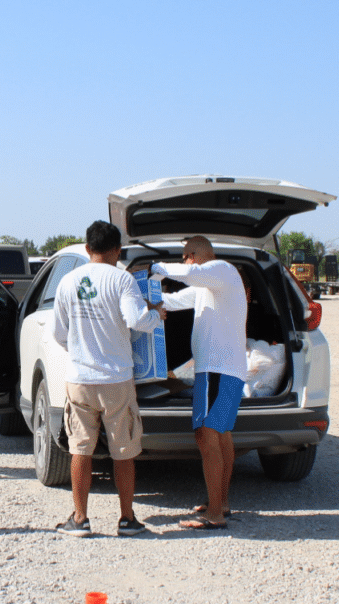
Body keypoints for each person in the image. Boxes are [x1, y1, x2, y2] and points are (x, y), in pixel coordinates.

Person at [50, 220, 165, 537]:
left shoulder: (68, 282)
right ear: (117, 250)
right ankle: (127, 519)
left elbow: (59, 333)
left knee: (80, 450)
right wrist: (157, 314)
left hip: (80, 380)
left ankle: (80, 519)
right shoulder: (123, 280)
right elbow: (137, 320)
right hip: (117, 380)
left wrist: (80, 353)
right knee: (124, 452)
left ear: (88, 249)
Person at [151, 235, 248, 529]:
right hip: (225, 371)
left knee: (206, 438)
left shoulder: (222, 269)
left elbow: (189, 274)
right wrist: (146, 298)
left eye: (184, 257)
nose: (183, 263)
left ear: (192, 255)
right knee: (221, 436)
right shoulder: (209, 288)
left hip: (217, 371)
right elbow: (172, 300)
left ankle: (215, 513)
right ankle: (221, 501)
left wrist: (157, 267)